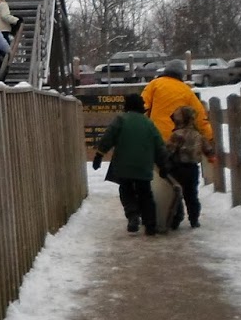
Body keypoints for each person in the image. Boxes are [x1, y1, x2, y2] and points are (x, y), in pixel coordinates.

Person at [92, 93, 170, 236]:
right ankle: (150, 224)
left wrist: (99, 155)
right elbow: (159, 145)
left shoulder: (120, 120)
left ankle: (133, 215)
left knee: (126, 190)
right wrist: (163, 165)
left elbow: (108, 137)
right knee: (145, 194)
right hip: (144, 166)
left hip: (124, 165)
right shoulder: (148, 123)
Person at [141, 62, 215, 145]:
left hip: (156, 134)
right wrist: (210, 137)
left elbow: (142, 106)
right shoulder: (186, 90)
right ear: (181, 74)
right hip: (177, 137)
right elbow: (199, 117)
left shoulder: (154, 84)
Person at [164, 106, 214, 229]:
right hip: (192, 169)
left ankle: (176, 218)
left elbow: (169, 151)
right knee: (191, 195)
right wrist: (210, 156)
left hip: (177, 168)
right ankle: (194, 218)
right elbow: (208, 148)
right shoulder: (198, 134)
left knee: (176, 194)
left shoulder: (177, 135)